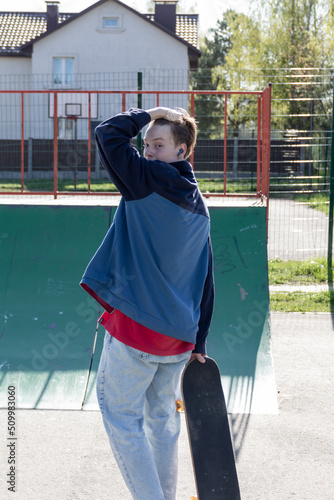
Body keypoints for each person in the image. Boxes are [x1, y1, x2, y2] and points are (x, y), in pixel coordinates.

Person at [80, 106, 214, 500]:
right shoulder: (198, 204)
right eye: (147, 145)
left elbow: (107, 133)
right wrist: (200, 341)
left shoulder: (146, 180)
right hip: (177, 341)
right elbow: (205, 278)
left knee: (121, 417)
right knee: (161, 422)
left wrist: (150, 112)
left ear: (182, 151)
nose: (149, 152)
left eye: (159, 145)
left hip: (138, 331)